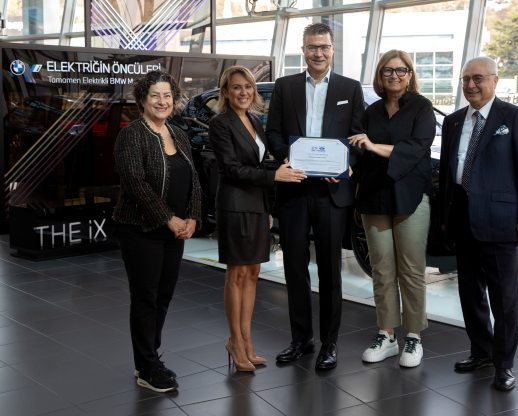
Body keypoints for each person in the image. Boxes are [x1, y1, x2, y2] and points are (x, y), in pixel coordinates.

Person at [266, 22, 365, 371]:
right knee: (294, 267)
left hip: (331, 192)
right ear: (303, 50)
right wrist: (286, 157)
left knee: (330, 271)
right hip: (294, 188)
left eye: (323, 47)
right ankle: (301, 339)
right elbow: (273, 132)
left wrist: (348, 163)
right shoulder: (285, 86)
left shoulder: (350, 88)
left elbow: (358, 137)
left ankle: (330, 344)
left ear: (332, 49)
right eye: (312, 47)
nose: (318, 53)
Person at [438, 56, 518, 391]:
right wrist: (444, 220)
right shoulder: (453, 121)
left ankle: (504, 364)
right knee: (470, 293)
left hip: (500, 221)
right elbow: (447, 174)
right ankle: (481, 351)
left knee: (504, 298)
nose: (471, 85)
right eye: (466, 79)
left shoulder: (514, 117)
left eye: (478, 78)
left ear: (495, 80)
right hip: (462, 219)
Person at [208, 66, 306, 372]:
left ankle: (247, 341)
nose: (244, 92)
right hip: (235, 205)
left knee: (252, 274)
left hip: (257, 204)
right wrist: (274, 176)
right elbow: (231, 169)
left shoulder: (252, 120)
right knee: (236, 275)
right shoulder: (220, 123)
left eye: (248, 87)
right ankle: (235, 341)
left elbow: (261, 163)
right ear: (226, 92)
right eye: (237, 87)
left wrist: (288, 168)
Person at [113, 70, 202, 393]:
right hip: (140, 229)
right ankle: (146, 367)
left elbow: (194, 179)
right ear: (142, 100)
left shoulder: (177, 133)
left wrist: (192, 217)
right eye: (155, 96)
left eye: (167, 96)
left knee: (163, 296)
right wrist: (169, 218)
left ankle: (151, 357)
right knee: (146, 298)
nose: (162, 101)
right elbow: (135, 184)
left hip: (173, 231)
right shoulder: (131, 135)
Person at [348, 50, 436, 368]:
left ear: (410, 75)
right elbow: (356, 149)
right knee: (382, 269)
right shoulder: (370, 111)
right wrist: (346, 165)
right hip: (374, 197)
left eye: (401, 70)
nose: (394, 76)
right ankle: (386, 334)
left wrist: (373, 146)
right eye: (388, 70)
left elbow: (417, 147)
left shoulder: (422, 107)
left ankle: (413, 336)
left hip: (410, 197)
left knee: (411, 270)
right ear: (380, 75)